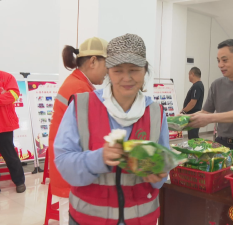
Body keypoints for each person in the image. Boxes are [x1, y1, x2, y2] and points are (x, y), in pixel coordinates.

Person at [54, 33, 169, 225]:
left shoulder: (156, 113)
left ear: (145, 70)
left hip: (141, 219)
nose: (127, 78)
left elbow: (163, 168)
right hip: (88, 219)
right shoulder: (82, 105)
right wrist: (99, 158)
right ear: (108, 71)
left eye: (134, 70)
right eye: (118, 71)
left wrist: (158, 174)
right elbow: (63, 163)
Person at [48, 37, 108, 224]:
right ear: (93, 61)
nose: (108, 73)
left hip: (69, 167)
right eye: (108, 65)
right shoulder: (79, 88)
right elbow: (91, 134)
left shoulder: (79, 83)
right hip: (71, 171)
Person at [0, 70, 26, 193]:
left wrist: (4, 96)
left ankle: (19, 181)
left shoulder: (6, 77)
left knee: (9, 154)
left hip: (4, 124)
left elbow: (13, 95)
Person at [181, 67, 204, 139]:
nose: (188, 77)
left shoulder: (197, 86)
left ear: (192, 74)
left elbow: (193, 102)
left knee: (193, 137)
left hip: (193, 115)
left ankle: (195, 149)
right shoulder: (197, 85)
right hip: (192, 115)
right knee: (192, 136)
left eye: (189, 74)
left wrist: (183, 111)